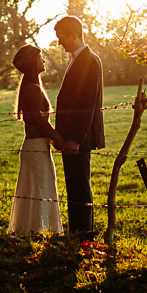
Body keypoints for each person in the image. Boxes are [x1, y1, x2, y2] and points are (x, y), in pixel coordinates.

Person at [53, 15, 104, 239]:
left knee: (80, 186)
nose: (59, 43)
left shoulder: (89, 60)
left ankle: (83, 235)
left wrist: (76, 138)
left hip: (77, 139)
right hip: (69, 138)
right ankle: (77, 233)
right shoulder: (78, 58)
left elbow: (88, 103)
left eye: (61, 38)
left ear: (73, 35)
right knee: (74, 186)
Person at [9, 44, 63, 234]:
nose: (43, 60)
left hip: (38, 146)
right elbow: (41, 122)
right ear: (33, 63)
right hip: (36, 148)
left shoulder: (32, 87)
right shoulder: (32, 89)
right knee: (37, 189)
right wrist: (60, 141)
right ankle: (34, 230)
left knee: (38, 188)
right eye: (40, 58)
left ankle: (35, 229)